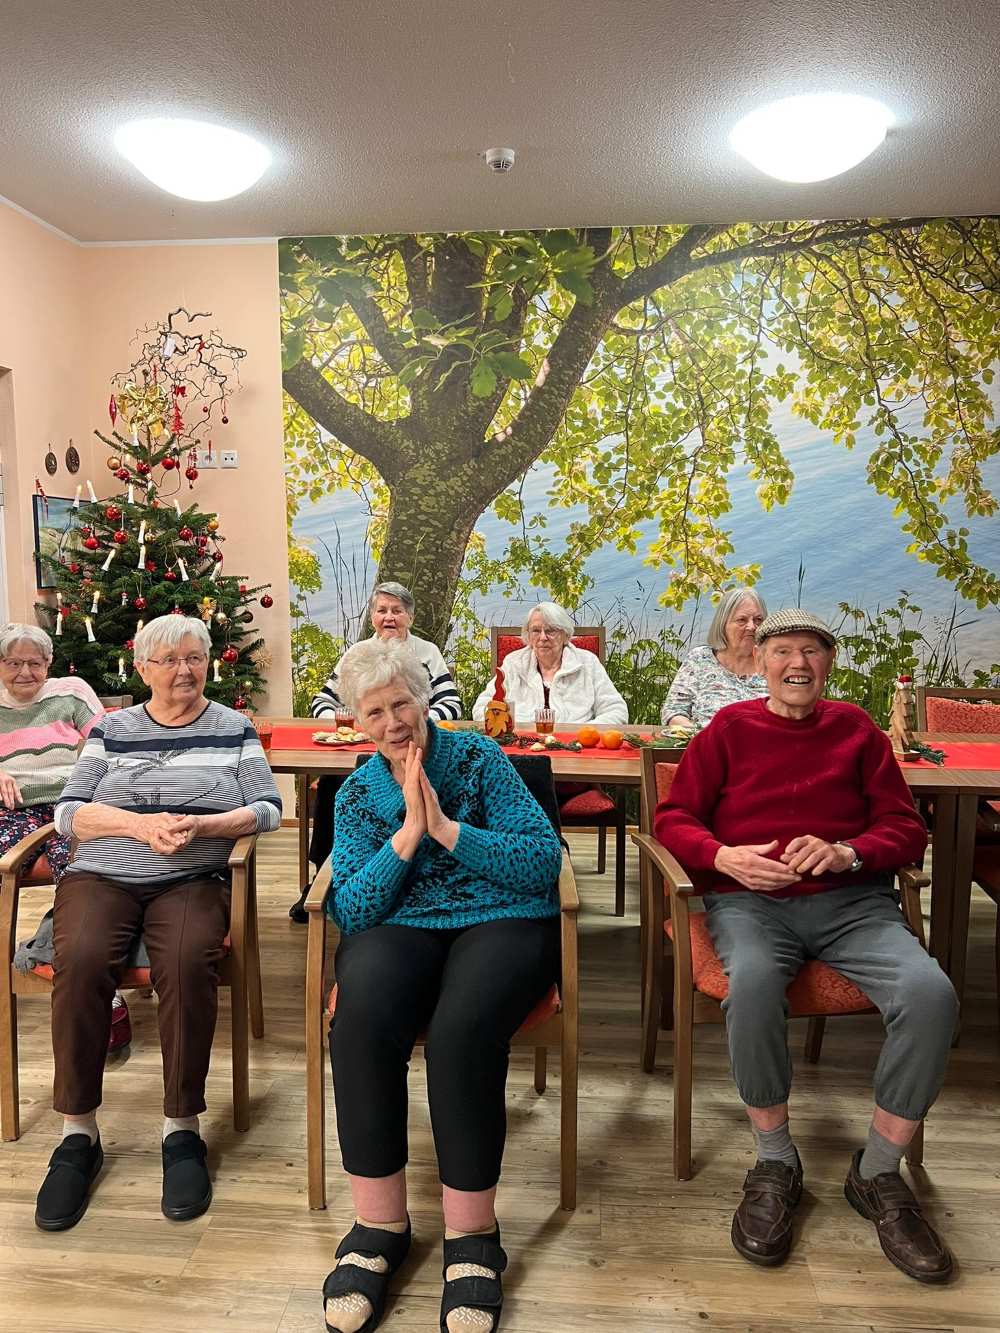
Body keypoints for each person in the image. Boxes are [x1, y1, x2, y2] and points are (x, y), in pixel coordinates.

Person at [654, 609, 957, 1283]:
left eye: (812, 652)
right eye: (783, 650)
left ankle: (877, 1170)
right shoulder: (728, 730)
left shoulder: (857, 731)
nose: (798, 663)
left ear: (829, 664)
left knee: (931, 994)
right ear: (760, 661)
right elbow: (672, 817)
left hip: (855, 905)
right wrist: (725, 857)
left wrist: (850, 850)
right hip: (752, 904)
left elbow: (906, 830)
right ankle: (775, 1159)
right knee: (754, 982)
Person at [322, 637, 562, 1333]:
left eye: (402, 702)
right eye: (376, 711)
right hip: (403, 921)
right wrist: (407, 835)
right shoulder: (360, 792)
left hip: (502, 915)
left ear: (424, 699)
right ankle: (378, 1227)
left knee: (461, 1034)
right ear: (358, 723)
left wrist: (449, 830)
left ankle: (472, 1238)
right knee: (360, 1020)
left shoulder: (479, 759)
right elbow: (355, 907)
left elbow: (540, 861)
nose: (393, 721)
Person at [33, 615, 281, 1233]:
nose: (184, 671)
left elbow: (269, 808)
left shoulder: (233, 727)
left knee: (186, 960)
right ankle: (78, 1135)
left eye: (194, 658)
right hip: (105, 872)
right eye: (168, 661)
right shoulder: (112, 729)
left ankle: (181, 1128)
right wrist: (138, 825)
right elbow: (69, 813)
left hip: (193, 874)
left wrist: (204, 826)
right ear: (141, 669)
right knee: (84, 957)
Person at [293, 581, 462, 923]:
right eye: (382, 610)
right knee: (332, 784)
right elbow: (321, 701)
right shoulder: (356, 655)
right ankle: (324, 877)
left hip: (414, 748)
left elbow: (452, 703)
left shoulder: (427, 652)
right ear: (372, 617)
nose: (389, 617)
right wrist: (355, 727)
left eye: (397, 611)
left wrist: (421, 725)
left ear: (409, 617)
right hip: (364, 746)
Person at [0, 624, 131, 1050]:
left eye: (34, 663)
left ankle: (97, 985)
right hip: (9, 809)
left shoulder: (71, 691)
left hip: (67, 803)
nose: (24, 672)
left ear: (49, 665)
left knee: (80, 872)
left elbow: (106, 739)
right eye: (13, 663)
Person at [471, 601, 627, 727]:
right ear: (528, 636)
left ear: (565, 635)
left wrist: (584, 732)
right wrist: (509, 728)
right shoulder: (513, 663)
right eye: (536, 630)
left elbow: (616, 711)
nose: (543, 637)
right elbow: (482, 708)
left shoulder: (587, 663)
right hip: (522, 745)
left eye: (551, 630)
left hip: (577, 747)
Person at [661, 587, 768, 731]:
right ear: (723, 624)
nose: (752, 626)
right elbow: (673, 711)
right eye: (742, 620)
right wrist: (703, 738)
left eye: (758, 620)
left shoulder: (774, 664)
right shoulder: (700, 659)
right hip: (706, 749)